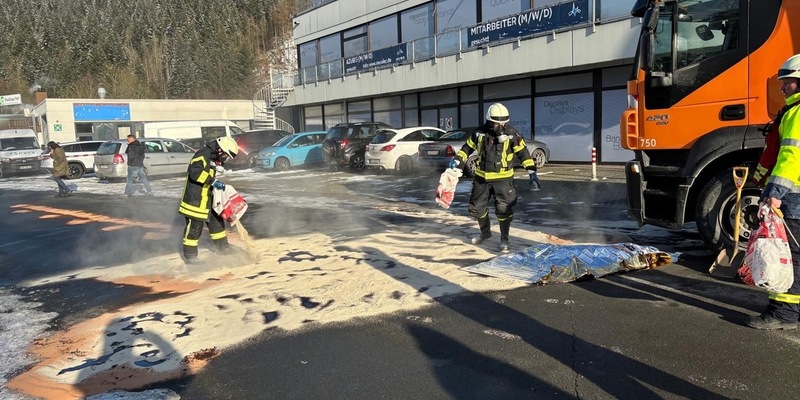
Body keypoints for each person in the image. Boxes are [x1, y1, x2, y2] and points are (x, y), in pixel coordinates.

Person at [746, 54, 800, 330]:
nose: (781, 88)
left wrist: (775, 192)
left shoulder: (797, 112)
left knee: (788, 255)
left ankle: (784, 314)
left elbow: (791, 157)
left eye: (787, 83)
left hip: (795, 197)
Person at [448, 103, 537, 253]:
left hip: (503, 180)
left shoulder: (512, 134)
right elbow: (466, 148)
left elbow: (523, 154)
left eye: (504, 123)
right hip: (481, 178)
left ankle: (504, 239)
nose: (501, 126)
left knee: (504, 209)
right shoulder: (479, 133)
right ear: (489, 121)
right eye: (497, 123)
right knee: (476, 208)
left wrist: (532, 172)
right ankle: (485, 232)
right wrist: (457, 160)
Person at [179, 136, 239, 264]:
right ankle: (190, 256)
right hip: (195, 200)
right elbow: (195, 172)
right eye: (225, 156)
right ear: (220, 150)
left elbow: (209, 169)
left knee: (216, 222)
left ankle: (222, 247)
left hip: (207, 197)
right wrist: (213, 181)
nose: (224, 159)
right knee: (195, 228)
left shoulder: (211, 156)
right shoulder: (202, 154)